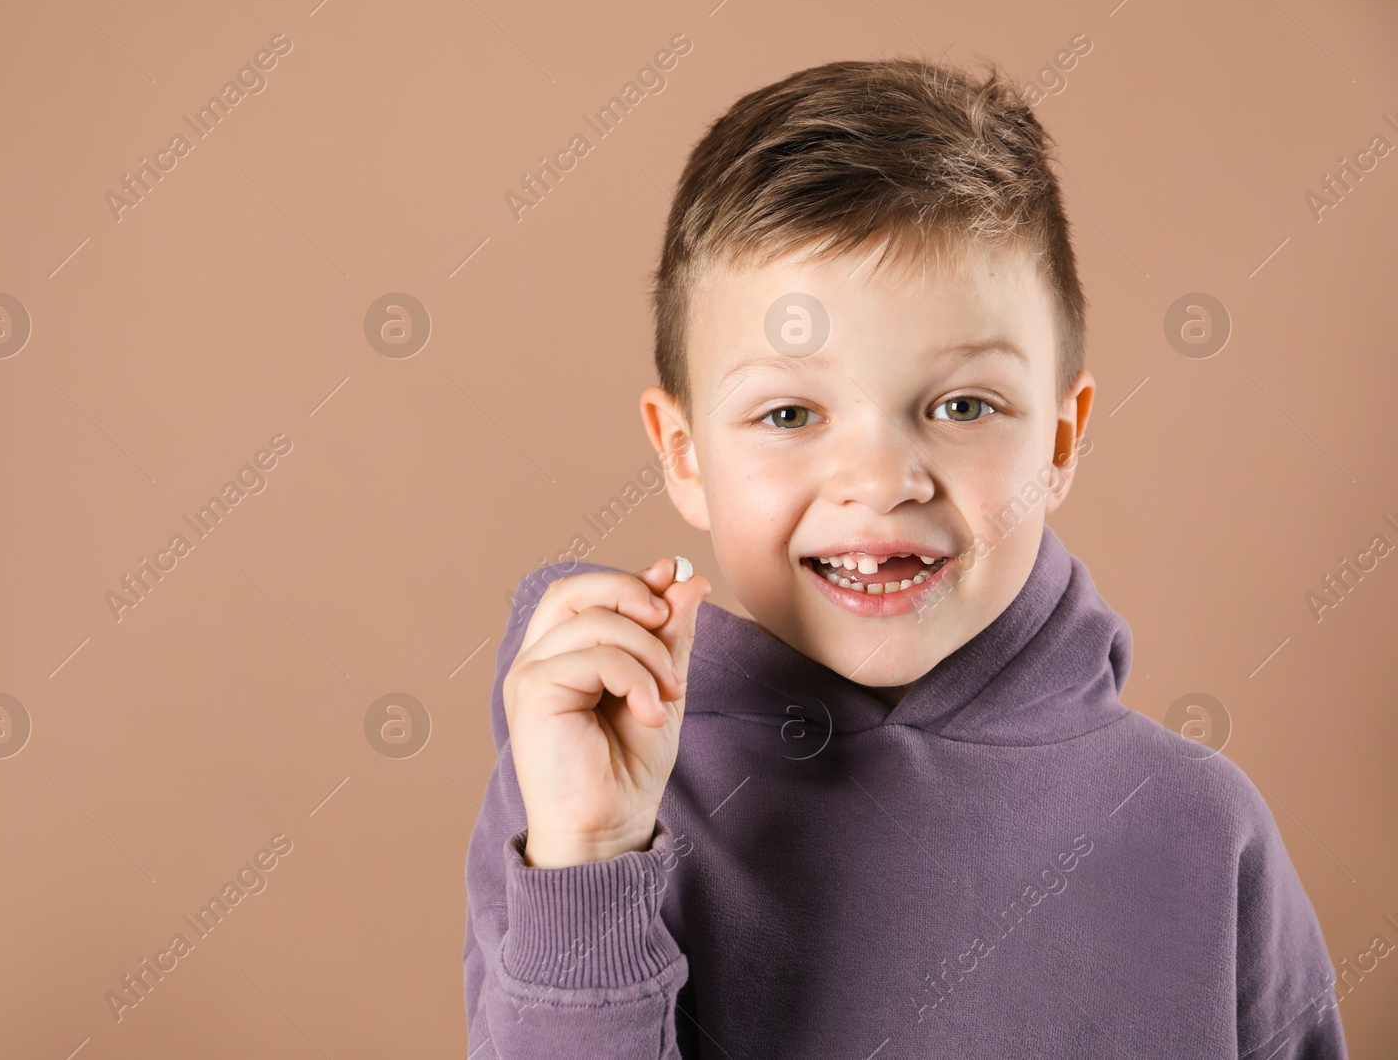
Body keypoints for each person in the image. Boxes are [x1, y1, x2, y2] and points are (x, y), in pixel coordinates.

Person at [462, 56, 1346, 1057]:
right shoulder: (582, 794)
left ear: (1059, 441)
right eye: (789, 412)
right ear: (685, 453)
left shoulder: (1198, 830)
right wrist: (588, 860)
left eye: (962, 406)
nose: (881, 481)